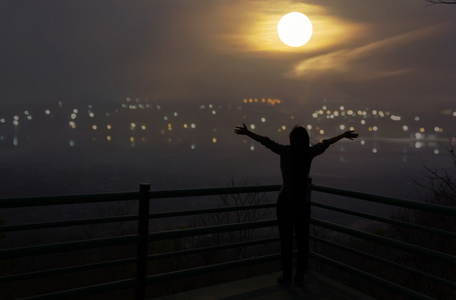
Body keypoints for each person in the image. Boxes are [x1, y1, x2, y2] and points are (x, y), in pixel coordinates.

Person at [234, 123, 358, 286]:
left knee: (286, 242)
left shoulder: (286, 152)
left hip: (285, 202)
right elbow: (326, 142)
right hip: (303, 204)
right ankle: (299, 276)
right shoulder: (310, 153)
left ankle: (286, 276)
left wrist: (248, 133)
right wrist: (342, 135)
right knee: (302, 242)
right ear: (306, 140)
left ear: (291, 140)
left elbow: (266, 141)